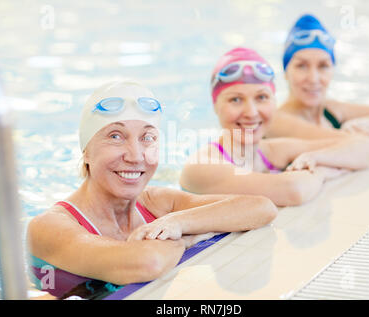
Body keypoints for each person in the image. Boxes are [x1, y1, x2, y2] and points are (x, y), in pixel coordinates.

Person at [26, 80, 277, 298]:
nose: (136, 156)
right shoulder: (49, 227)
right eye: (115, 136)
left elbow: (261, 207)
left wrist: (179, 223)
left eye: (147, 138)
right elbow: (147, 262)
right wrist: (188, 237)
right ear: (86, 151)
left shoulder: (157, 204)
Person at [179, 47, 369, 207]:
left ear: (274, 102)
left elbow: (365, 148)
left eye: (261, 97)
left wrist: (316, 158)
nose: (251, 112)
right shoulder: (201, 166)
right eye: (236, 99)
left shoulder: (271, 151)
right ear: (215, 106)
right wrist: (323, 171)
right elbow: (293, 190)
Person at [265, 14, 369, 141]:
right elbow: (349, 143)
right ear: (286, 71)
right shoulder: (277, 121)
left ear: (332, 70)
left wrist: (364, 124)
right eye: (302, 66)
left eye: (323, 66)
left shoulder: (331, 110)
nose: (313, 78)